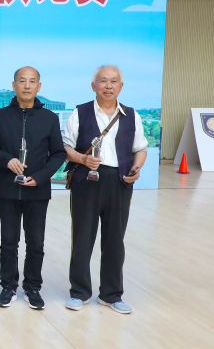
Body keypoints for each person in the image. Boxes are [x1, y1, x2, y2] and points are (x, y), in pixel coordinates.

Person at [63, 65, 147, 314]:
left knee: (114, 240)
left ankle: (111, 295)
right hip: (85, 182)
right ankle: (79, 293)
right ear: (94, 86)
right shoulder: (80, 112)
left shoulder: (131, 115)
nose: (108, 86)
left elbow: (140, 148)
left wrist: (137, 167)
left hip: (119, 182)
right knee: (82, 238)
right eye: (103, 81)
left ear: (121, 86)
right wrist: (82, 159)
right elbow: (65, 147)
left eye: (113, 81)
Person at [0, 67, 65, 310]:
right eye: (22, 81)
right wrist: (6, 160)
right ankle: (8, 286)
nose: (27, 86)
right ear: (14, 85)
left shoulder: (50, 119)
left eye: (32, 81)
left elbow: (58, 153)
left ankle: (32, 287)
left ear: (39, 86)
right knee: (9, 241)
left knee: (36, 242)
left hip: (37, 190)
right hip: (7, 189)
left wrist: (40, 177)